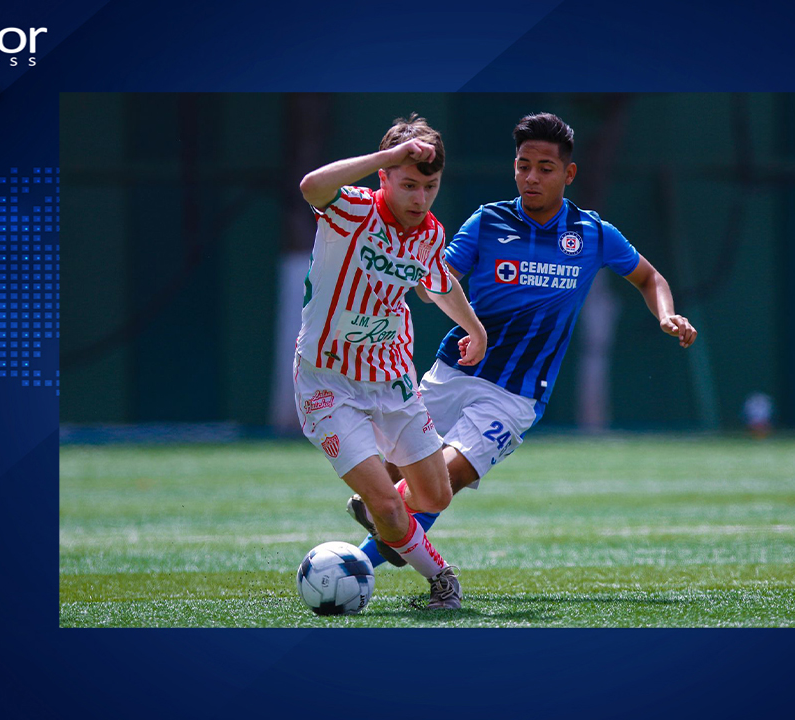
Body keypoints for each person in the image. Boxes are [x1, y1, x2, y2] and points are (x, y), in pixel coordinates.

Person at [347, 112, 697, 568]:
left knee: (439, 482)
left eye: (544, 168)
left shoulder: (591, 234)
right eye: (522, 165)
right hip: (453, 372)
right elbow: (439, 280)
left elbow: (649, 277)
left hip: (515, 396)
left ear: (568, 174)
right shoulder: (487, 222)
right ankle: (394, 523)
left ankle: (356, 565)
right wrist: (425, 281)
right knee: (390, 479)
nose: (530, 177)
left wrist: (668, 315)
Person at [295, 114, 487, 608]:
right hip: (327, 385)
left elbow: (437, 282)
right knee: (389, 505)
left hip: (391, 380)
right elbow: (311, 185)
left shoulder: (428, 233)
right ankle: (442, 580)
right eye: (408, 184)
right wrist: (388, 155)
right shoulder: (353, 209)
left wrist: (475, 328)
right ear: (384, 177)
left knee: (436, 497)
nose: (419, 198)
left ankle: (384, 516)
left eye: (430, 186)